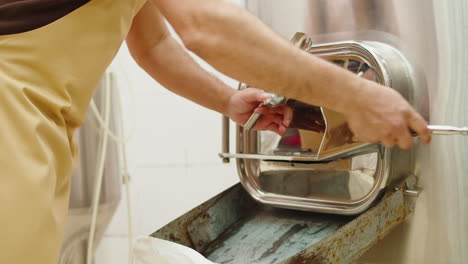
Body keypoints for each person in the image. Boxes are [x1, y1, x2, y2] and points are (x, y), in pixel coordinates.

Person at [0, 0, 431, 263]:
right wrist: (354, 96)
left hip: (34, 124)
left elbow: (152, 43)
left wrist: (227, 100)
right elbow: (205, 26)